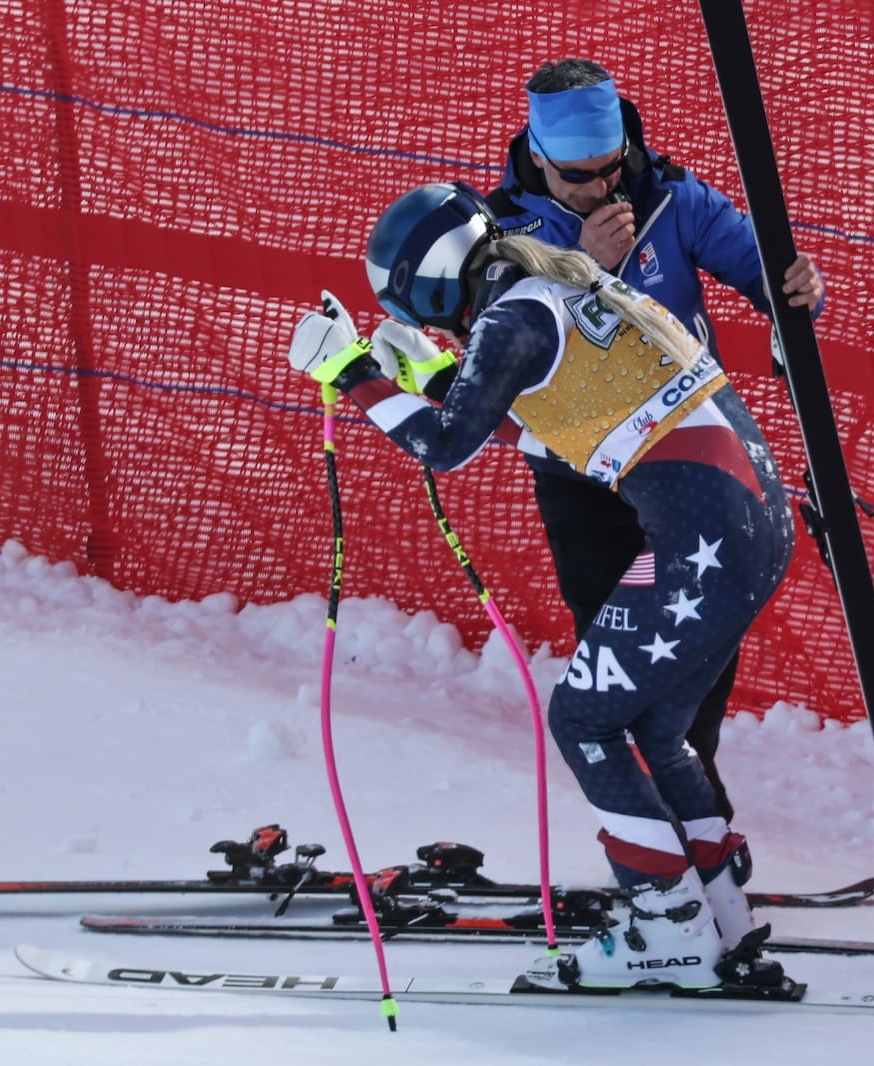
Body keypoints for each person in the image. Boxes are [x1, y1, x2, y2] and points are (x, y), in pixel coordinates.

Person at [283, 181, 795, 992]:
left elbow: (446, 449)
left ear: (432, 284)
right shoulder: (553, 285)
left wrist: (352, 374)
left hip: (707, 537)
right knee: (658, 729)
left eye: (415, 310)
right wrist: (437, 380)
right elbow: (566, 432)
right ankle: (722, 913)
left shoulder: (513, 318)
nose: (425, 327)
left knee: (584, 717)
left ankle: (669, 928)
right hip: (749, 525)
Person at [484, 59, 826, 824]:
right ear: (536, 155)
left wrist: (797, 286)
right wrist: (585, 267)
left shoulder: (670, 196)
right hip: (587, 477)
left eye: (612, 168)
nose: (601, 188)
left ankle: (692, 827)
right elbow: (495, 350)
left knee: (697, 656)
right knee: (622, 663)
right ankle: (668, 834)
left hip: (691, 466)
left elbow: (764, 268)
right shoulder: (501, 229)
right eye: (578, 176)